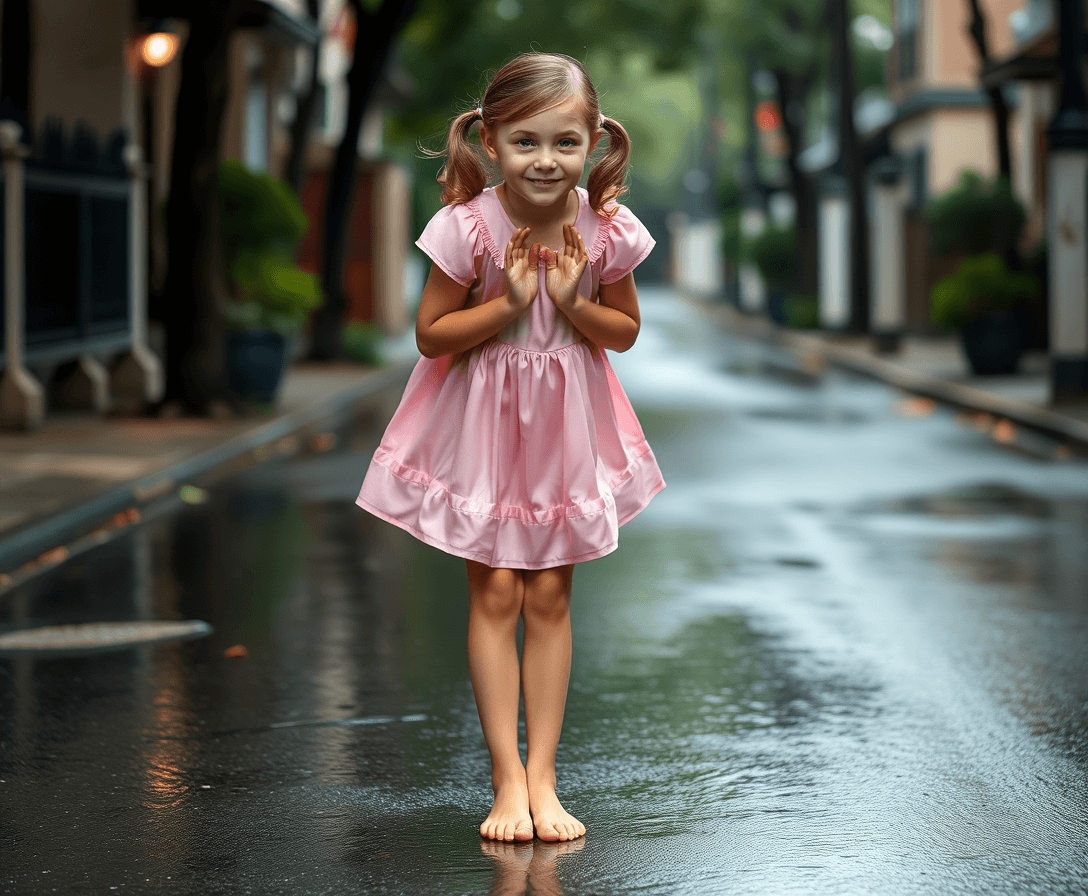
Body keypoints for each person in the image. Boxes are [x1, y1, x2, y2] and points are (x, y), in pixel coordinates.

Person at [356, 52, 664, 843]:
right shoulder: (468, 225)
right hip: (482, 424)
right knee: (495, 592)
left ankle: (544, 777)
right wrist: (513, 303)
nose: (546, 159)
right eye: (526, 141)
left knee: (552, 594)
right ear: (490, 142)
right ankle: (504, 778)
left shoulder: (606, 227)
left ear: (593, 142)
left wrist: (569, 300)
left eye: (567, 142)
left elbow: (624, 333)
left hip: (565, 425)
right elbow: (431, 336)